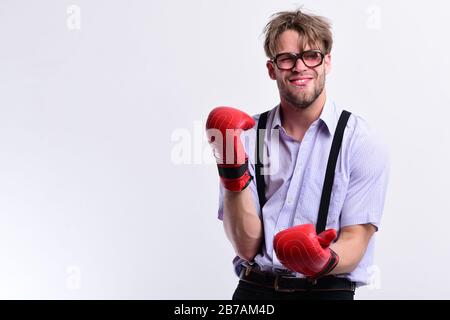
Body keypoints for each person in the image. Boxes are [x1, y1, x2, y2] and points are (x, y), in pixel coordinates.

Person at [205, 9, 389, 300]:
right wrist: (231, 169)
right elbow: (246, 246)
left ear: (327, 61)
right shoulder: (248, 135)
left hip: (326, 291)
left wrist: (322, 260)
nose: (299, 67)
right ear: (272, 69)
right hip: (255, 289)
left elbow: (356, 240)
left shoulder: (360, 141)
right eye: (287, 58)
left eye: (311, 55)